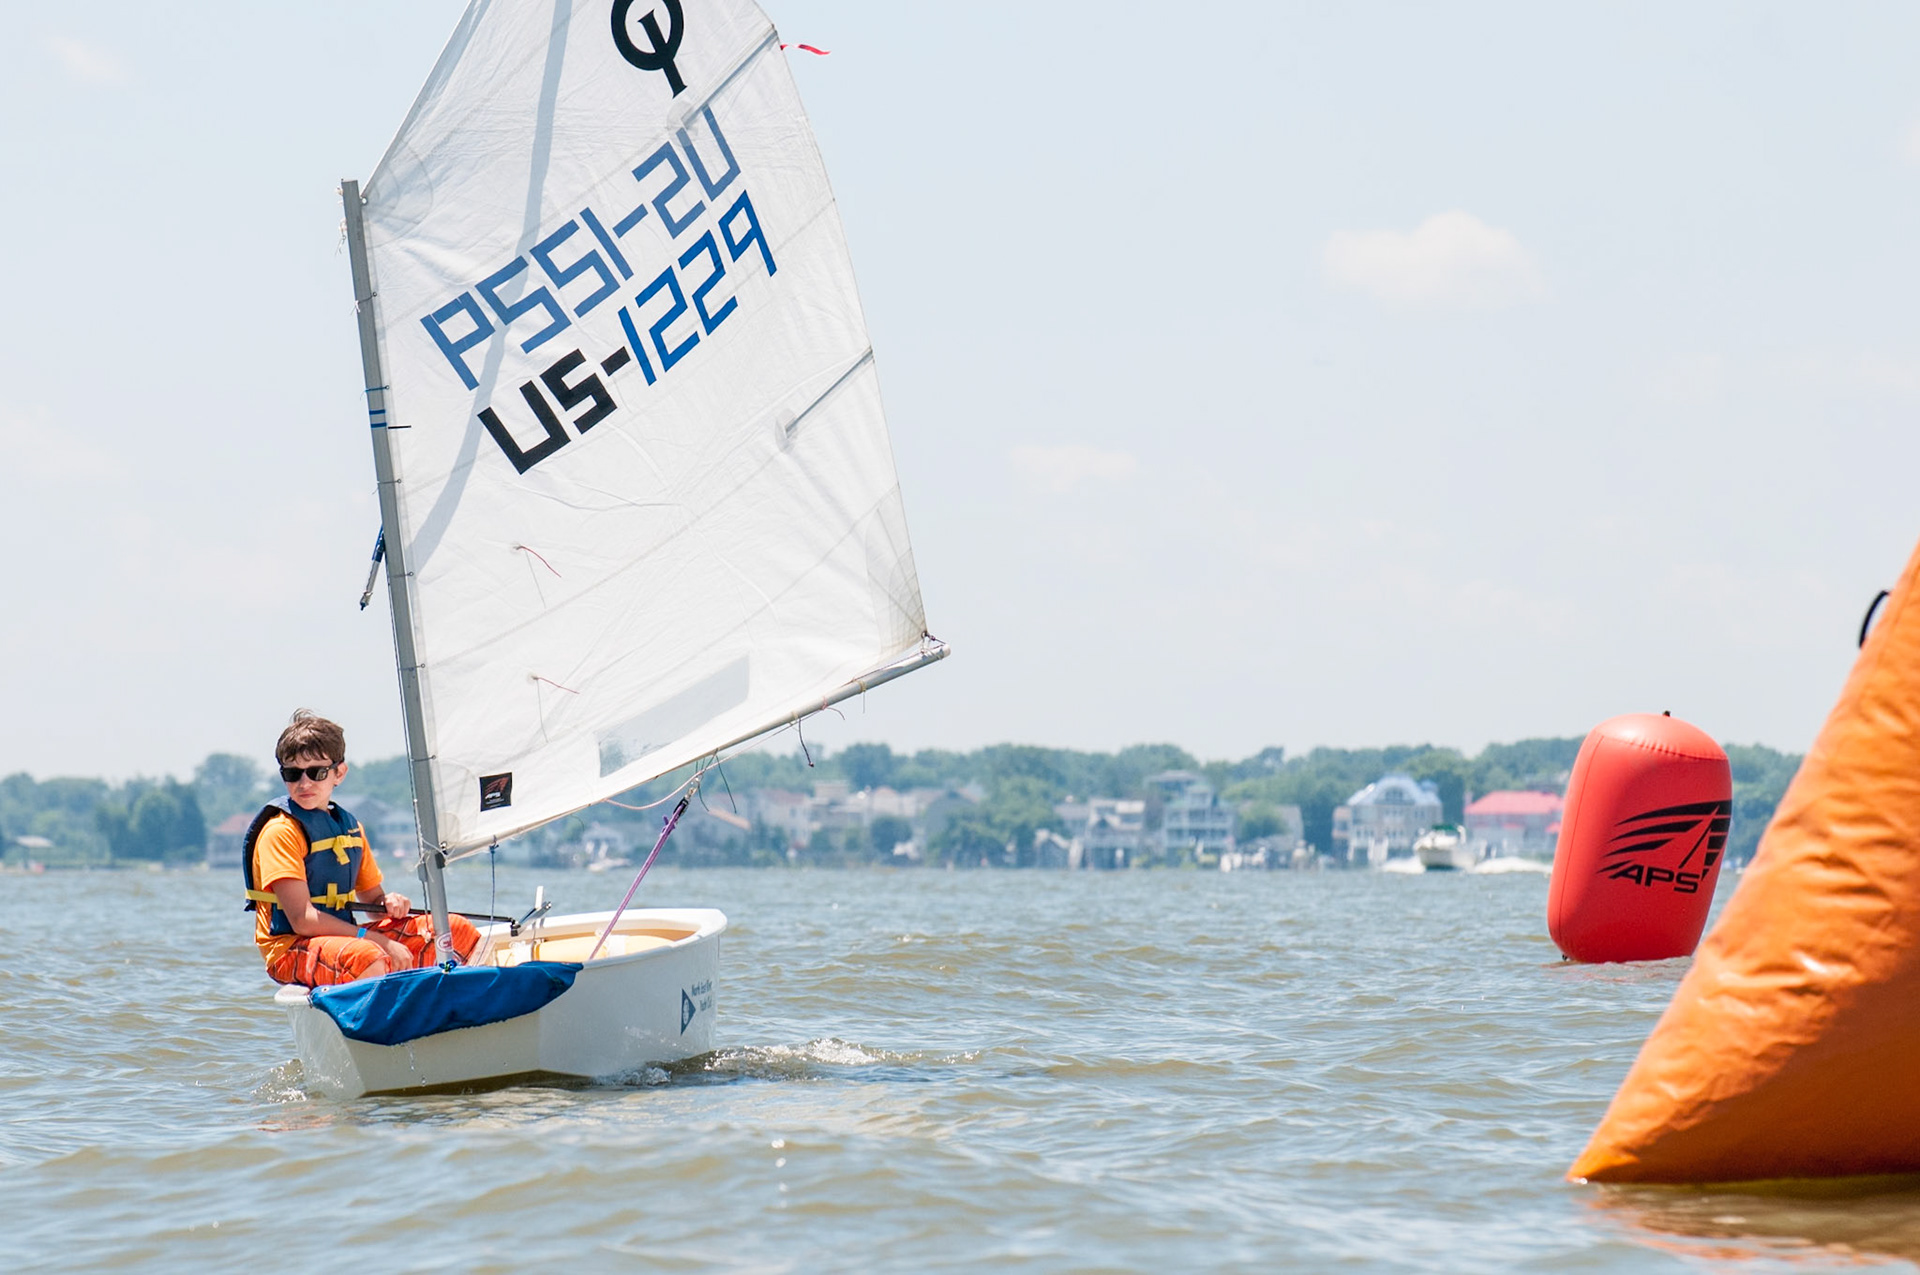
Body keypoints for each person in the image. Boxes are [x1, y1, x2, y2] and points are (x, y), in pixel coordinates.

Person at [243, 710, 477, 985]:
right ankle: (385, 1017)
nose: (304, 783)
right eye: (293, 774)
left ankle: (442, 1004)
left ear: (339, 773)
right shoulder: (280, 832)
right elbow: (303, 920)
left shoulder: (351, 828)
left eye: (316, 772)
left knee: (454, 929)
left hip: (344, 938)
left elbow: (372, 903)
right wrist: (375, 939)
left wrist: (388, 903)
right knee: (366, 956)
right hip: (290, 948)